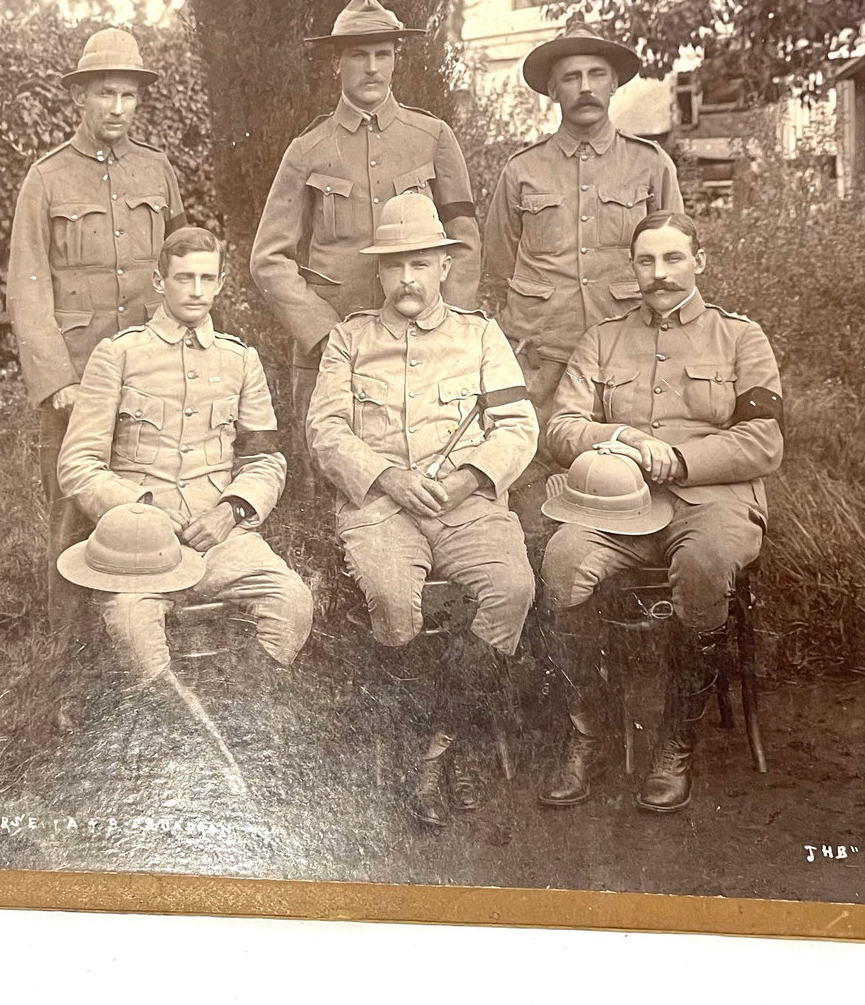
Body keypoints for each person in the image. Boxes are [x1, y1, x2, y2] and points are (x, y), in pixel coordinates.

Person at [537, 211, 783, 813]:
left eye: (673, 259)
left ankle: (677, 739)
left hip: (712, 499)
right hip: (615, 502)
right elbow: (560, 429)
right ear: (633, 267)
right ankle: (589, 733)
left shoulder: (740, 337)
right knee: (561, 563)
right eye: (646, 261)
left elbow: (764, 442)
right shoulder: (603, 338)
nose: (659, 273)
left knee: (705, 564)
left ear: (699, 261)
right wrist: (620, 437)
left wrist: (676, 457)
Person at [306, 194, 536, 828]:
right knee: (393, 601)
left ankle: (443, 749)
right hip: (381, 507)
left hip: (466, 506)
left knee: (511, 589)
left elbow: (517, 426)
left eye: (420, 264)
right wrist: (386, 477)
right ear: (379, 273)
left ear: (443, 266)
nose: (407, 279)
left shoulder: (481, 334)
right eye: (394, 266)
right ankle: (419, 745)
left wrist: (467, 480)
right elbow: (325, 431)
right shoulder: (349, 340)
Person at [56, 227, 313, 689]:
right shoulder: (119, 354)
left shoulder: (240, 360)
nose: (196, 291)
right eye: (183, 278)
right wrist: (141, 512)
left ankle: (246, 702)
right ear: (159, 281)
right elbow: (78, 464)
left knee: (293, 601)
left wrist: (230, 511)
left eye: (206, 279)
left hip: (220, 539)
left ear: (219, 283)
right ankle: (166, 718)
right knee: (134, 628)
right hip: (137, 546)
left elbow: (264, 459)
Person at [7, 28, 187, 638]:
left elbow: (181, 263)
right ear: (80, 97)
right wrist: (57, 381)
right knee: (73, 512)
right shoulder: (47, 179)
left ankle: (142, 636)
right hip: (80, 373)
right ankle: (66, 652)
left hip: (148, 366)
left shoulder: (158, 172)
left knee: (150, 496)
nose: (117, 108)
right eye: (105, 93)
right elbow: (27, 289)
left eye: (128, 95)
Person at [482, 20, 683, 546]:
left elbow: (672, 263)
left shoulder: (649, 164)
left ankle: (624, 584)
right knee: (531, 480)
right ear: (553, 90)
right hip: (544, 356)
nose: (586, 87)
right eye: (571, 77)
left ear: (615, 84)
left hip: (626, 354)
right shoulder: (522, 171)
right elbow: (499, 261)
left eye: (598, 74)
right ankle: (541, 593)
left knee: (628, 474)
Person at [251, 0, 482, 432]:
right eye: (358, 55)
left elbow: (465, 240)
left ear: (396, 60)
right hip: (337, 346)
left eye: (383, 54)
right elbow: (268, 259)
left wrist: (446, 322)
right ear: (336, 63)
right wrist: (324, 333)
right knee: (333, 472)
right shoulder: (307, 150)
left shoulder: (432, 137)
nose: (372, 67)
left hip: (423, 340)